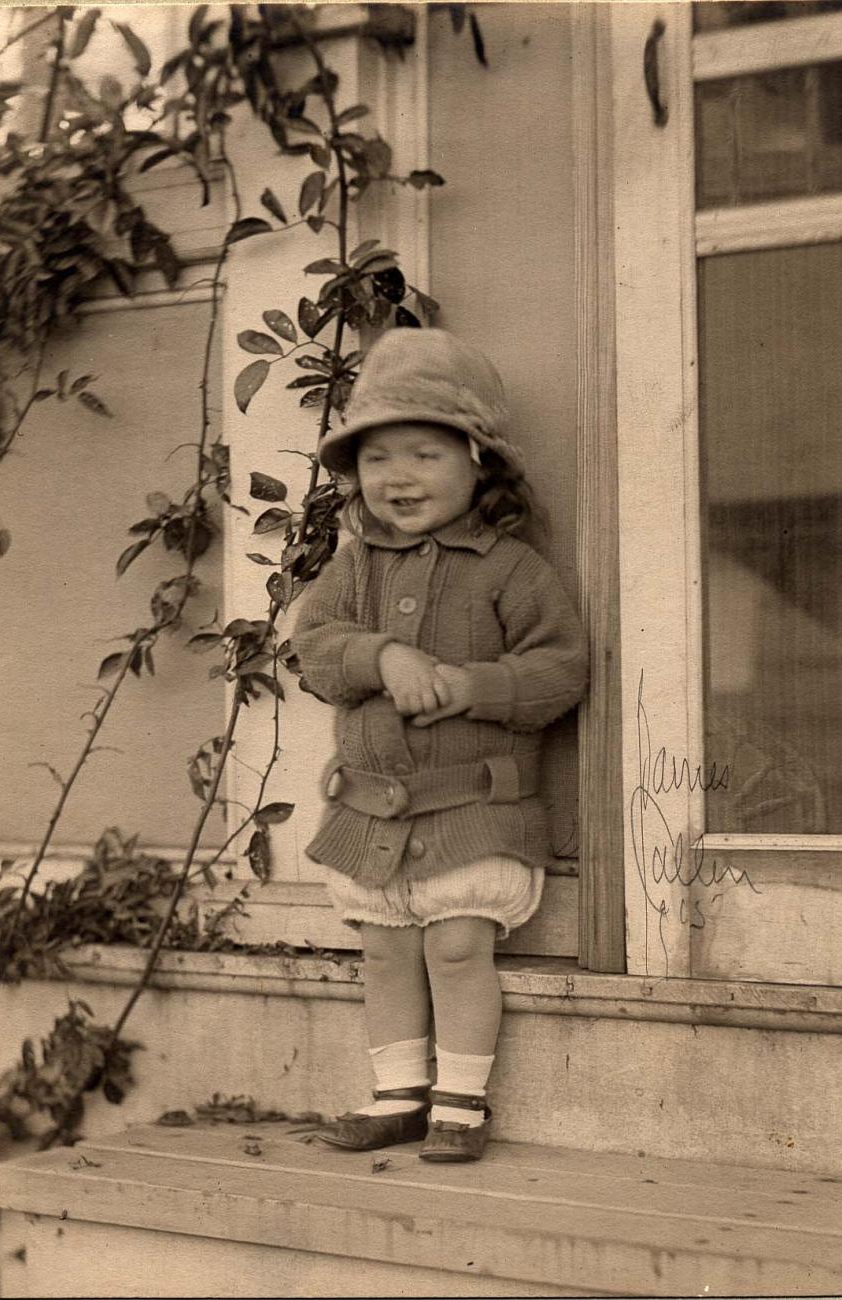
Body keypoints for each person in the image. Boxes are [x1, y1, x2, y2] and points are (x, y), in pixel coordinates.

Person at [292, 327, 588, 1162]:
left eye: (423, 454)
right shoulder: (353, 568)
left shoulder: (510, 569)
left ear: (477, 464)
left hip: (471, 812)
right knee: (385, 951)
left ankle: (460, 1102)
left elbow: (562, 669)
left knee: (458, 947)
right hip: (374, 813)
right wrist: (380, 654)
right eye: (378, 459)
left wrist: (474, 686)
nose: (398, 477)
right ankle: (397, 1095)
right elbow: (313, 648)